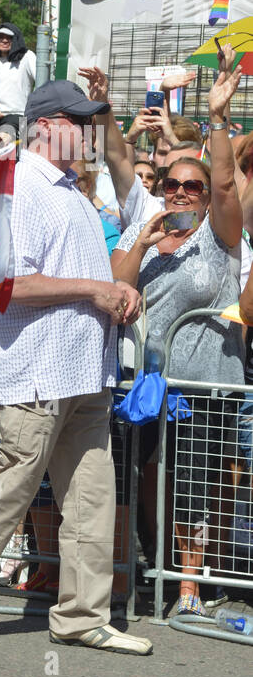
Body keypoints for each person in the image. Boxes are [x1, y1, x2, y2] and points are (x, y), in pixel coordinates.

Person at [0, 78, 153, 655]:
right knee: (10, 488)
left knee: (91, 498)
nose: (89, 130)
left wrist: (115, 288)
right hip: (41, 368)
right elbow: (5, 288)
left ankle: (82, 614)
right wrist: (95, 288)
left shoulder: (71, 191)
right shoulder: (18, 188)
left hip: (86, 368)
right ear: (45, 126)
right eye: (78, 119)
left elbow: (73, 276)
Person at [112, 44, 245, 617]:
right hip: (144, 386)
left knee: (191, 486)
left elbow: (226, 187)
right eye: (173, 185)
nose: (183, 194)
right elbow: (117, 291)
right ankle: (153, 564)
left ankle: (188, 586)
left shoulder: (219, 239)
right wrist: (142, 241)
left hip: (202, 386)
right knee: (141, 481)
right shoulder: (143, 230)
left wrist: (216, 119)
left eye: (192, 187)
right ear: (161, 186)